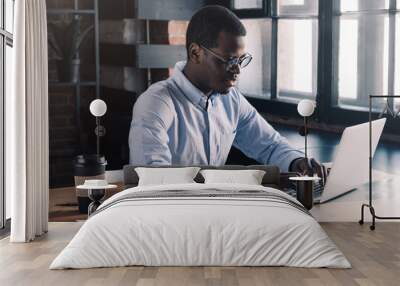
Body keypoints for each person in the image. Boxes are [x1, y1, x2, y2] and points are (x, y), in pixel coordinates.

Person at [129, 5, 326, 180]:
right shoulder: (156, 103)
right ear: (195, 53)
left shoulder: (230, 100)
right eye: (229, 61)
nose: (237, 70)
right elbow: (153, 180)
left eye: (240, 61)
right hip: (170, 214)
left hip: (214, 210)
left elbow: (270, 145)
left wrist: (296, 162)